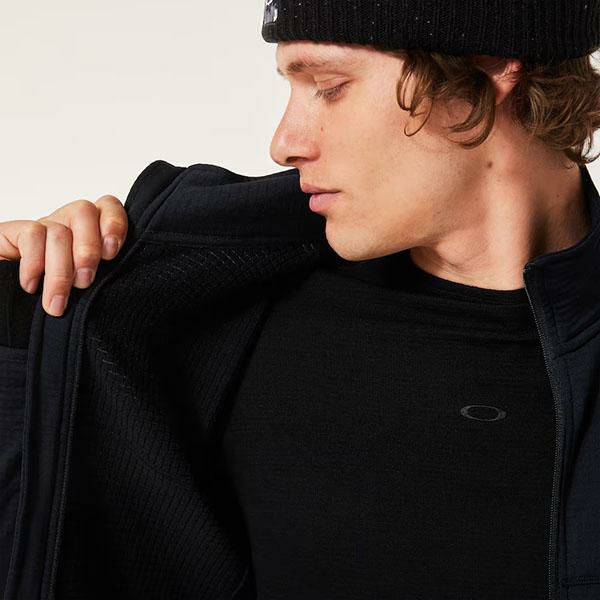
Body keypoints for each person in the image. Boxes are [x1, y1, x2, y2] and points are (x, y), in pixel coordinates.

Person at [1, 1, 599, 597]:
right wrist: (16, 307)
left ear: (492, 64)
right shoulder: (215, 317)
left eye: (330, 87)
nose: (283, 144)